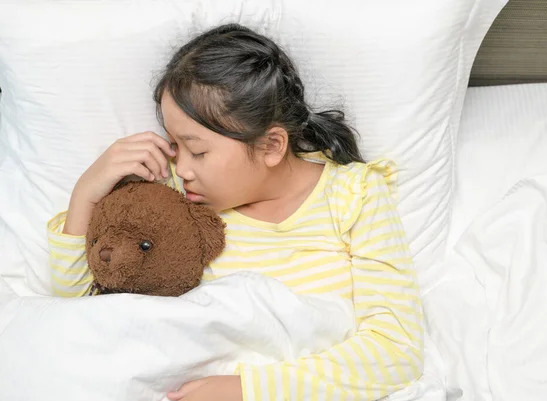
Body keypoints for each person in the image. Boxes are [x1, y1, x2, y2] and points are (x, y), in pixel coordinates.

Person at [47, 23, 424, 401]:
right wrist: (87, 193)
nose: (183, 167)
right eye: (175, 145)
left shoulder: (354, 194)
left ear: (271, 146)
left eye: (197, 150)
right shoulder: (179, 199)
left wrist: (250, 390)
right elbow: (85, 308)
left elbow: (396, 350)